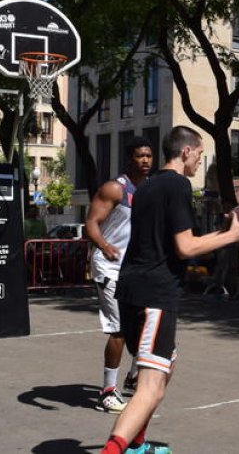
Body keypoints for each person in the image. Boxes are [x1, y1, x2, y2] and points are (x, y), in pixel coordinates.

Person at [100, 126, 239, 454]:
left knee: (165, 365)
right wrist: (233, 236)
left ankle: (135, 442)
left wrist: (221, 231)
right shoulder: (178, 185)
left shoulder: (146, 186)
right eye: (200, 155)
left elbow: (167, 238)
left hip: (132, 290)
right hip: (155, 296)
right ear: (186, 151)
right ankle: (116, 450)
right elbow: (185, 247)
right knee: (150, 385)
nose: (199, 162)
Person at [84, 135, 154, 414]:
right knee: (119, 329)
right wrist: (104, 245)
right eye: (140, 156)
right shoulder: (115, 188)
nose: (146, 160)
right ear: (130, 159)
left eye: (149, 155)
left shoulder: (149, 190)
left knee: (146, 322)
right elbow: (90, 223)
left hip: (133, 268)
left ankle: (134, 374)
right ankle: (107, 393)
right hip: (108, 265)